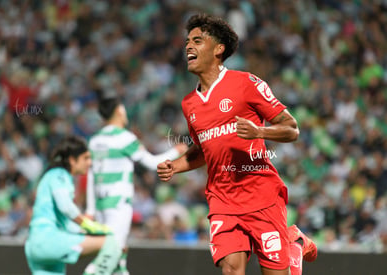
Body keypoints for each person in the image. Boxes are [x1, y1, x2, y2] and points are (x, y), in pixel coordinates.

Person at [157, 14, 317, 275]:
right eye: (187, 41)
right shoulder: (189, 104)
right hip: (222, 201)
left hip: (261, 196)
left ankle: (294, 242)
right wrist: (174, 166)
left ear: (218, 49)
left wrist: (259, 132)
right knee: (232, 270)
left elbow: (292, 129)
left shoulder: (246, 83)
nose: (188, 46)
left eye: (197, 41)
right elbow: (202, 151)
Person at [85, 90, 187, 275]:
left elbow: (91, 176)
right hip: (118, 205)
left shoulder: (95, 141)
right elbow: (152, 163)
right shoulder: (125, 138)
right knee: (111, 254)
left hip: (100, 207)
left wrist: (90, 210)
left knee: (118, 259)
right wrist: (176, 151)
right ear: (119, 111)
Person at [25, 135, 122, 275]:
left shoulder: (52, 176)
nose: (90, 162)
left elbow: (65, 222)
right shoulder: (59, 174)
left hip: (36, 244)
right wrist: (87, 224)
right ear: (72, 160)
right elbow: (65, 206)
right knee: (111, 243)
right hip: (48, 239)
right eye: (86, 158)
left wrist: (84, 231)